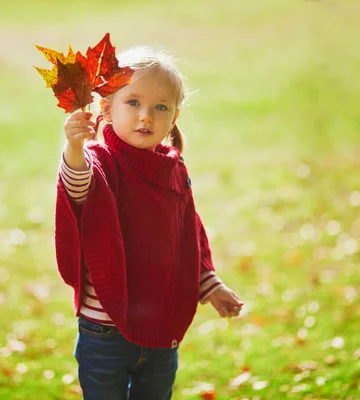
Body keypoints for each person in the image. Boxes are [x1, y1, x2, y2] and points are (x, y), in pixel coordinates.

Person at [54, 46, 244, 400]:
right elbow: (77, 188)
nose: (146, 117)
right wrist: (74, 148)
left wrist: (210, 285)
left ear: (173, 118)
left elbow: (186, 236)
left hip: (160, 328)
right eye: (133, 103)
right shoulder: (99, 160)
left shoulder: (173, 169)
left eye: (160, 107)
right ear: (107, 108)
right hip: (104, 330)